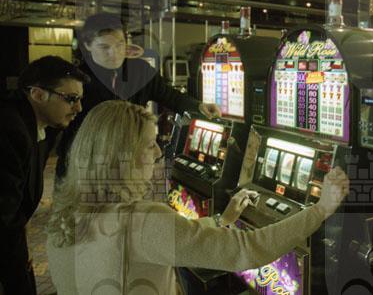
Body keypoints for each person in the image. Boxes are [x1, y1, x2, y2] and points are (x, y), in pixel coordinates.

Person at [46, 100, 349, 294]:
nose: (159, 152)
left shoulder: (64, 213)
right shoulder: (142, 220)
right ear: (122, 156)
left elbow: (164, 240)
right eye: (149, 144)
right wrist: (321, 209)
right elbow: (248, 250)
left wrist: (221, 220)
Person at [55, 13, 220, 180]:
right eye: (105, 47)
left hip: (127, 159)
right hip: (85, 161)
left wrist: (199, 106)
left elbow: (170, 96)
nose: (114, 53)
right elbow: (57, 124)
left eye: (120, 44)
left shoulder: (140, 70)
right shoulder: (75, 78)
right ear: (87, 45)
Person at [0, 56, 89, 295]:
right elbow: (4, 216)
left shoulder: (39, 128)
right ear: (38, 94)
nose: (78, 108)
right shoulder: (10, 129)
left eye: (80, 99)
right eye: (71, 99)